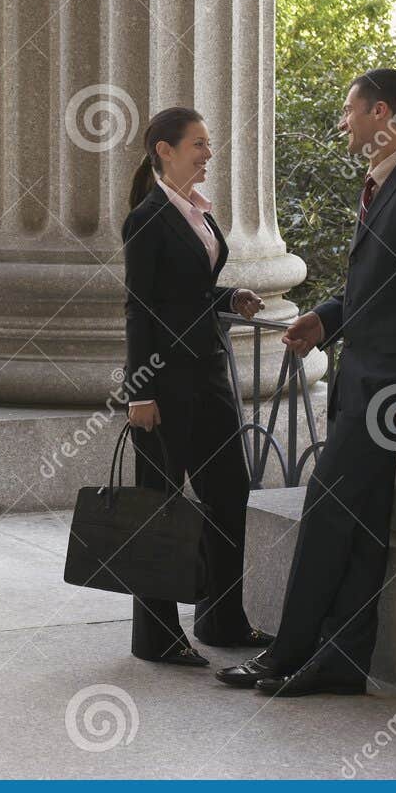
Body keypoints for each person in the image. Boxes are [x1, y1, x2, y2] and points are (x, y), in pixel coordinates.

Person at [217, 69, 396, 696]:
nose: (343, 123)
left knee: (327, 511)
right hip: (359, 379)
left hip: (387, 394)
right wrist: (324, 319)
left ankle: (285, 654)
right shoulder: (384, 186)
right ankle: (343, 659)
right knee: (361, 523)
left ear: (382, 113)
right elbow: (380, 289)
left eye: (349, 111)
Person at [120, 106, 274, 666]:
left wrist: (228, 297)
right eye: (199, 145)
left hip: (210, 376)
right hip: (162, 385)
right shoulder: (146, 219)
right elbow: (140, 309)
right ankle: (157, 637)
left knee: (228, 493)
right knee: (160, 508)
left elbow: (188, 292)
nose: (209, 153)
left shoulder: (200, 215)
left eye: (209, 145)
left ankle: (222, 618)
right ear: (165, 150)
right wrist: (140, 393)